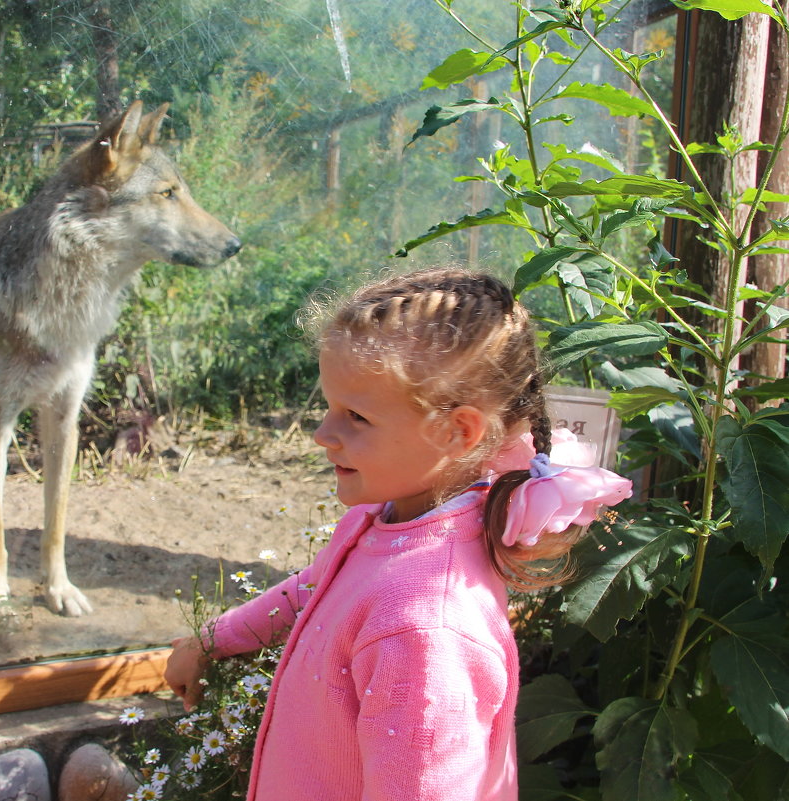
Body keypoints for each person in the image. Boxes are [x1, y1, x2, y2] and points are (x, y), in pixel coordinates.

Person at [164, 268, 632, 801]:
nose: (322, 434)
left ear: (458, 432)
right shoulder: (391, 520)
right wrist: (209, 642)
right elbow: (309, 590)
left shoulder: (424, 629)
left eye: (356, 416)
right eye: (330, 406)